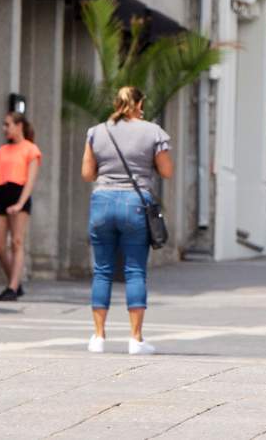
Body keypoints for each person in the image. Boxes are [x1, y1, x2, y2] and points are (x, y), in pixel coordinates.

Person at [81, 86, 173, 355]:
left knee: (102, 270)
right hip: (135, 203)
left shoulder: (96, 132)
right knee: (135, 271)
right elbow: (166, 170)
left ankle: (98, 337)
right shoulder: (153, 131)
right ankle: (136, 339)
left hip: (102, 202)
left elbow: (88, 173)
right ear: (139, 103)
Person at [0, 112, 42, 301]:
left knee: (17, 242)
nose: (5, 129)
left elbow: (30, 180)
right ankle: (15, 281)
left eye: (7, 124)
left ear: (19, 126)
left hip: (19, 193)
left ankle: (12, 286)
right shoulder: (2, 150)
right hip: (2, 194)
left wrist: (20, 204)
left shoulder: (30, 149)